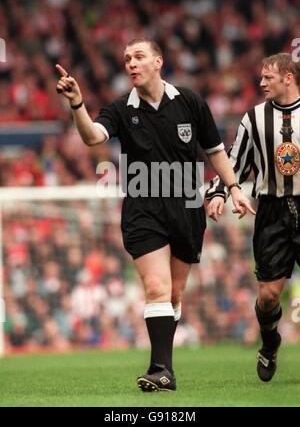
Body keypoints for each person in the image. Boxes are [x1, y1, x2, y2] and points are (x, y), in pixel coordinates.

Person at [56, 38, 254, 392]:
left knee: (174, 294)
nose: (131, 63)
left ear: (158, 61)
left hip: (187, 208)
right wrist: (77, 105)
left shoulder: (190, 102)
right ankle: (161, 368)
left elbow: (215, 151)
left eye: (138, 56)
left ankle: (165, 363)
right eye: (127, 58)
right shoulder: (120, 108)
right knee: (157, 287)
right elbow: (93, 137)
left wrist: (233, 187)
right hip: (142, 208)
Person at [206, 52, 300, 383]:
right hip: (272, 211)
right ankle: (271, 340)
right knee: (269, 295)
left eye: (268, 77)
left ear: (288, 77)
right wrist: (218, 191)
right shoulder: (255, 118)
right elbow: (234, 160)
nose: (261, 83)